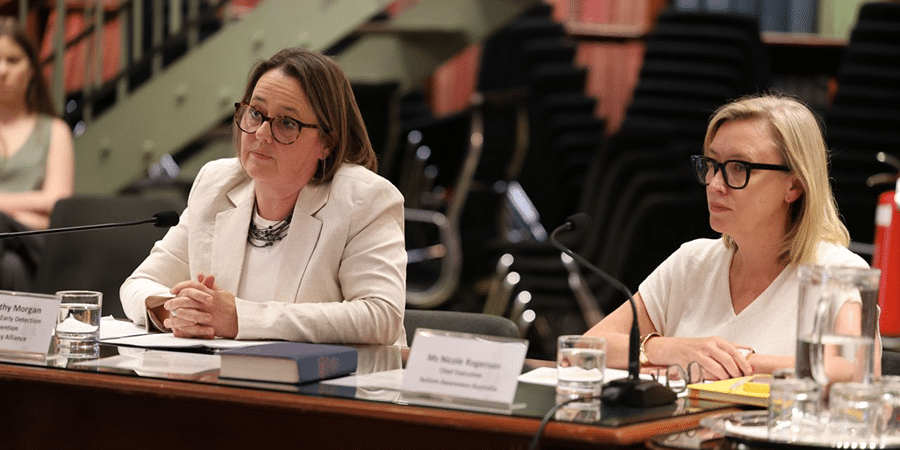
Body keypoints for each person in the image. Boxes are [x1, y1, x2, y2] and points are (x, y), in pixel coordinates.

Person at [120, 48, 407, 345]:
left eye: (287, 123)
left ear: (327, 143)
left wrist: (240, 318)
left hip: (332, 384)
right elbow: (138, 284)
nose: (262, 134)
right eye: (256, 114)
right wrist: (176, 313)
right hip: (221, 380)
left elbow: (380, 316)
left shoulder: (365, 199)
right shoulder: (216, 184)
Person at [584, 94, 876, 380]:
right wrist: (672, 349)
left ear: (794, 186)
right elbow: (586, 347)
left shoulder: (839, 272)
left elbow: (853, 371)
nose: (714, 184)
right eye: (711, 165)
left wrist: (733, 361)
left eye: (739, 168)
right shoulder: (692, 262)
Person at [0, 17, 74, 289]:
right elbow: (43, 203)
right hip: (13, 256)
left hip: (35, 244)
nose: (2, 71)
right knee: (10, 266)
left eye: (12, 60)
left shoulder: (54, 130)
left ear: (31, 67)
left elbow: (57, 204)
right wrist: (29, 207)